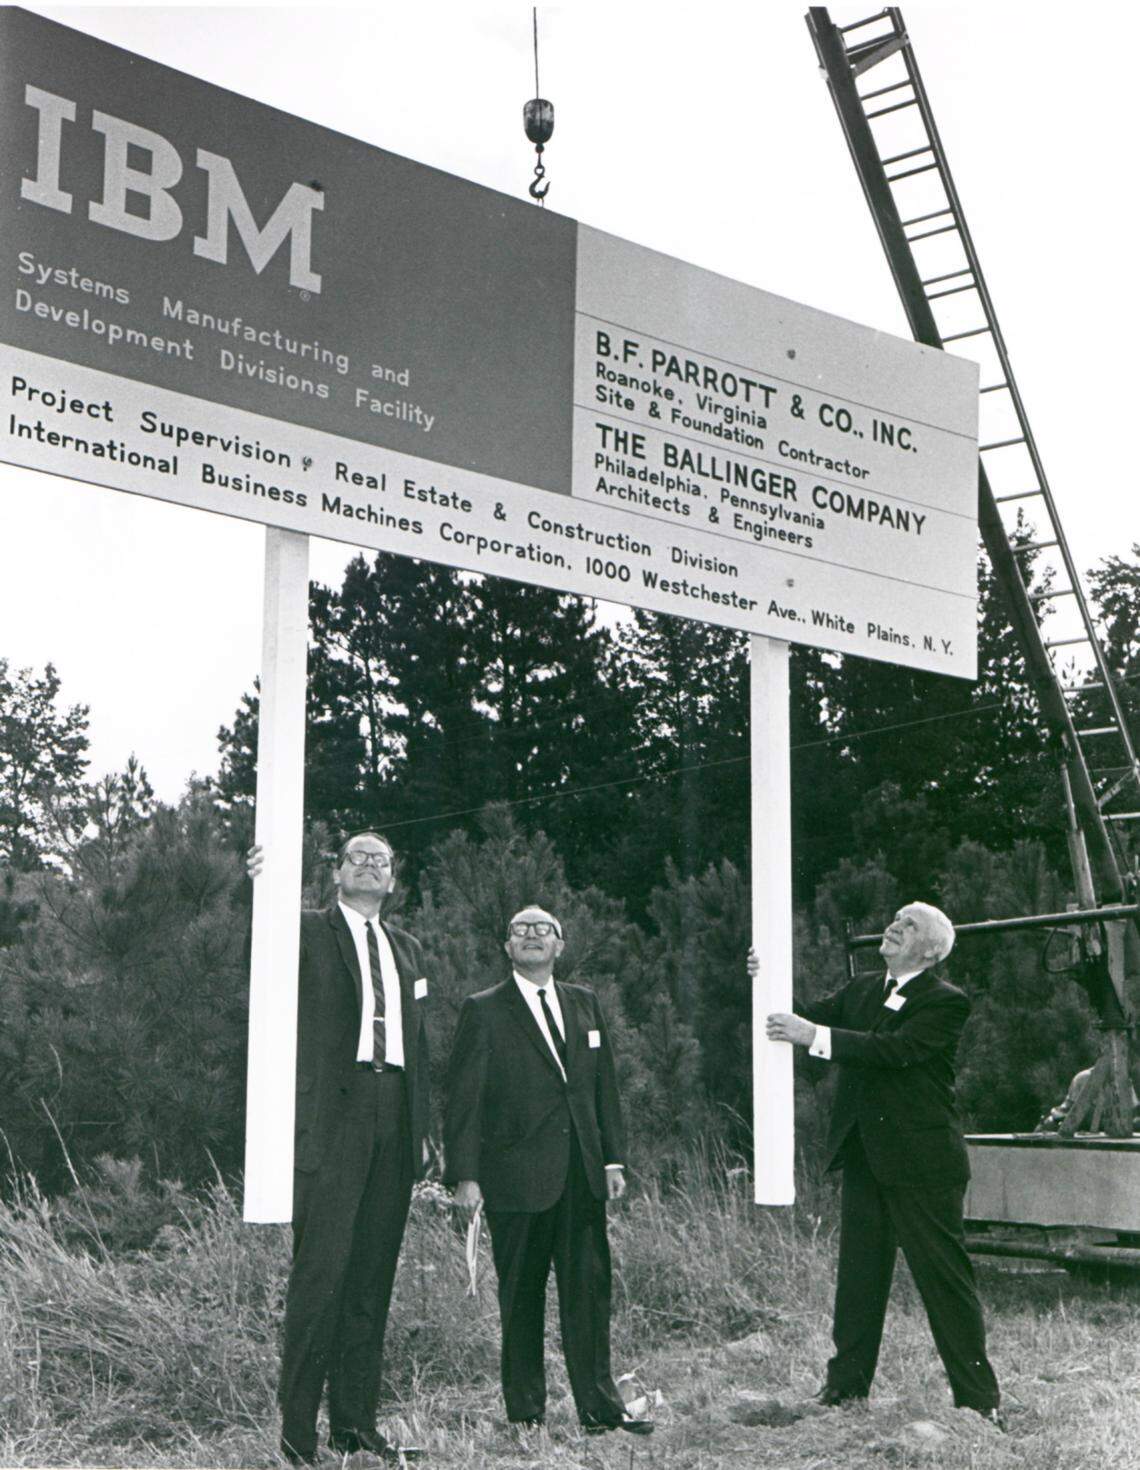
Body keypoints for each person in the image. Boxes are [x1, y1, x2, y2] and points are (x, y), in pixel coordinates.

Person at [754, 901, 1002, 1426]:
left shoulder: (945, 1001)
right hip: (867, 1157)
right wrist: (763, 977)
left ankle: (979, 1404)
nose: (893, 925)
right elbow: (806, 1015)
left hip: (924, 1163)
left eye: (909, 924)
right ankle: (845, 1392)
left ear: (931, 950)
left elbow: (894, 1051)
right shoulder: (863, 988)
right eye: (895, 918)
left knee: (943, 1280)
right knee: (860, 1280)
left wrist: (813, 1037)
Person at [249, 832, 430, 1465]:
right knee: (319, 1280)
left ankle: (355, 1426)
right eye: (359, 856)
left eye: (382, 859)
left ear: (392, 878)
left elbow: (422, 1044)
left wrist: (423, 1128)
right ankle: (297, 1437)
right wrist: (259, 891)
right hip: (334, 1119)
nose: (371, 866)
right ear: (337, 872)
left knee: (370, 1283)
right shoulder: (304, 931)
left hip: (395, 1118)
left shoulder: (407, 949)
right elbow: (259, 961)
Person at [443, 905, 652, 1438]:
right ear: (507, 947)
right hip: (514, 1179)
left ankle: (601, 1411)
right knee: (521, 1299)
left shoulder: (584, 1003)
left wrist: (611, 1159)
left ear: (561, 945)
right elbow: (463, 1099)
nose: (532, 936)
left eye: (544, 930)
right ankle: (527, 1416)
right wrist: (466, 1175)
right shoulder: (484, 1009)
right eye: (520, 930)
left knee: (588, 1295)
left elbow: (602, 1087)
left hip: (582, 1176)